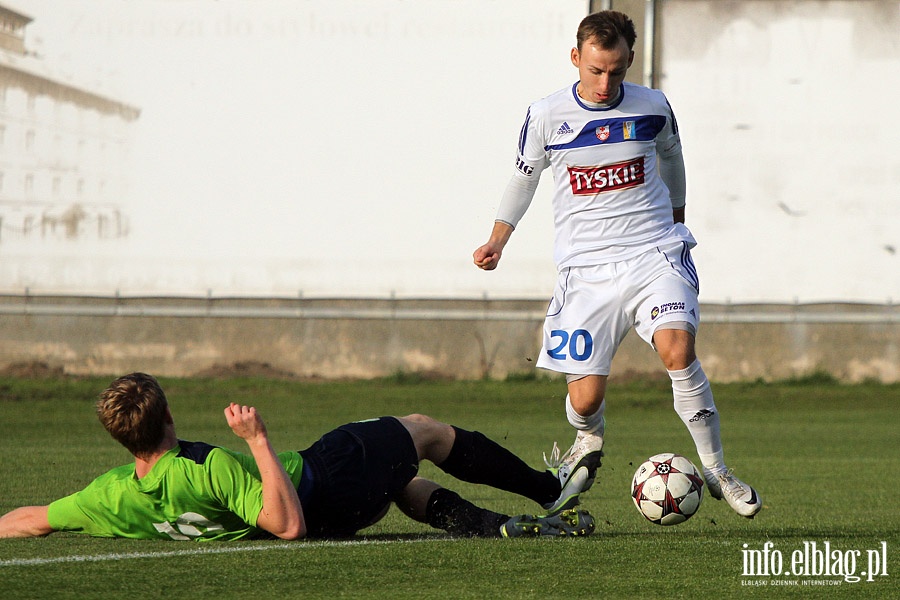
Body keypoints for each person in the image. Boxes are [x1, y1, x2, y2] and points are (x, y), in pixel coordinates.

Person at [473, 10, 761, 518]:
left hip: (653, 253)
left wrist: (677, 218)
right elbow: (524, 179)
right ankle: (586, 440)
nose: (606, 83)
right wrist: (498, 240)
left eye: (618, 71)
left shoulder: (653, 105)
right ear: (576, 58)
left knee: (677, 349)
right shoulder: (546, 115)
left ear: (629, 61)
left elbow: (673, 159)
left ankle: (717, 468)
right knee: (584, 401)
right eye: (596, 70)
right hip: (585, 271)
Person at [0, 373, 594, 541]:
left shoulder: (111, 496)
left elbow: (30, 518)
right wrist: (256, 439)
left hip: (339, 518)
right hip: (323, 480)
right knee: (424, 432)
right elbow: (286, 525)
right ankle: (548, 488)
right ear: (169, 416)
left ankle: (500, 528)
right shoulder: (210, 468)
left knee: (403, 483)